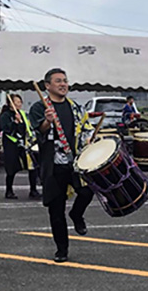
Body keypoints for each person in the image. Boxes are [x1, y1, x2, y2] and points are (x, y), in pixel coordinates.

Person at [29, 68, 95, 262]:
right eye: (58, 81)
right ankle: (62, 249)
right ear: (47, 86)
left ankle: (77, 214)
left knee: (87, 191)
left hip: (75, 162)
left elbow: (85, 129)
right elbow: (37, 133)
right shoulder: (39, 107)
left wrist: (90, 141)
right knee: (56, 211)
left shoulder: (75, 107)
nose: (63, 84)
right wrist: (47, 122)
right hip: (53, 166)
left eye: (65, 80)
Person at [0, 94, 41, 199]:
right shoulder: (6, 116)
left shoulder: (23, 114)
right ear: (10, 104)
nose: (19, 104)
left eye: (20, 102)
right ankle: (9, 191)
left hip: (25, 144)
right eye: (16, 101)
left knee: (32, 167)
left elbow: (28, 128)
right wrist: (15, 122)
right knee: (11, 168)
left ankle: (33, 190)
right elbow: (6, 129)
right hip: (11, 145)